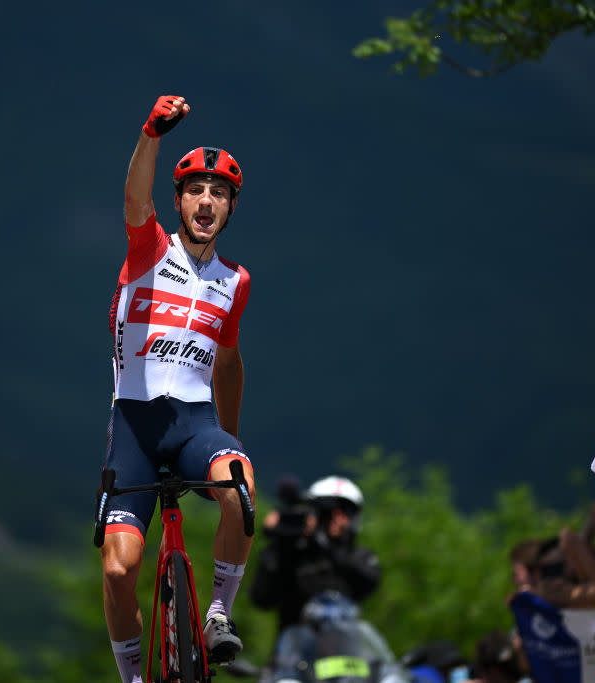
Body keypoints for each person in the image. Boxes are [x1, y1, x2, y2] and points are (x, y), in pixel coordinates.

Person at [98, 94, 257, 683]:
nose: (207, 201)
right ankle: (134, 677)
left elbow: (230, 364)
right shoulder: (149, 250)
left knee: (240, 489)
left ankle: (217, 613)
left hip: (195, 424)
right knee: (119, 572)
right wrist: (152, 133)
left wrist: (227, 441)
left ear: (231, 208)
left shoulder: (234, 282)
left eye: (219, 193)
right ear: (180, 201)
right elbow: (133, 199)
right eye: (196, 190)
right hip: (135, 428)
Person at [249, 475, 381, 677]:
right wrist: (280, 546)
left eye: (344, 511)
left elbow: (369, 581)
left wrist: (330, 547)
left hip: (349, 666)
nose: (337, 519)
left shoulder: (357, 557)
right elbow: (262, 598)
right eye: (328, 513)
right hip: (293, 665)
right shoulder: (292, 556)